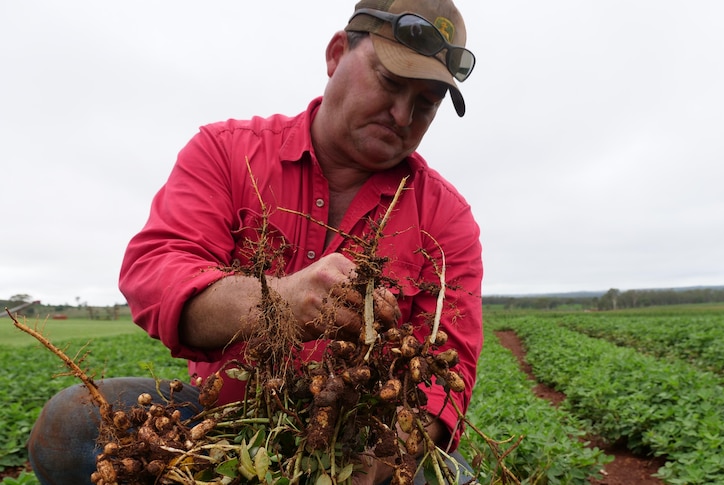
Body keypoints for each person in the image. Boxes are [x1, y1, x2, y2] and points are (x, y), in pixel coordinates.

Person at [27, 0, 482, 484]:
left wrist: (382, 460)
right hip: (226, 417)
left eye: (426, 103)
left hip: (365, 436)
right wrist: (278, 302)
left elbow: (448, 375)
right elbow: (158, 272)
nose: (401, 114)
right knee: (70, 427)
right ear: (335, 55)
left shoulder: (446, 218)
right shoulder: (227, 152)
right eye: (390, 82)